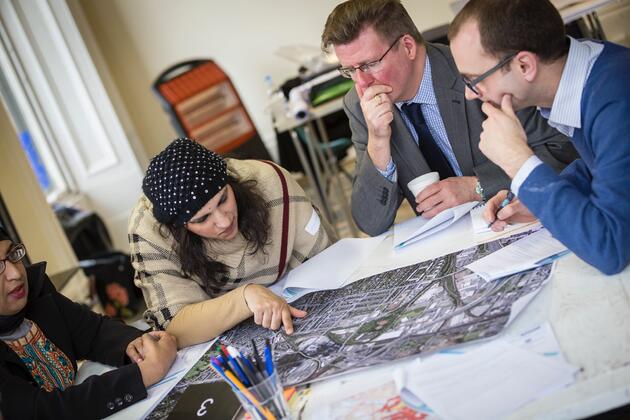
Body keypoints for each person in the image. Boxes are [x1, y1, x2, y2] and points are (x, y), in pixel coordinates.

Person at [320, 0, 578, 236]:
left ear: (408, 46)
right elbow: (370, 222)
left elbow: (563, 152)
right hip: (451, 244)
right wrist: (378, 142)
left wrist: (476, 187)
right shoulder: (359, 104)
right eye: (349, 70)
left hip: (525, 224)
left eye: (369, 64)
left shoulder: (476, 70)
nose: (362, 83)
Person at [448, 0, 630, 275]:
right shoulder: (589, 71)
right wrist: (538, 195)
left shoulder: (616, 98)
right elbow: (605, 164)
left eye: (474, 79)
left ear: (524, 65)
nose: (470, 94)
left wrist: (518, 163)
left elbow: (611, 250)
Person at [128, 138, 334, 348]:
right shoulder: (149, 232)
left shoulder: (268, 180)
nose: (224, 221)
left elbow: (329, 259)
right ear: (178, 228)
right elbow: (175, 329)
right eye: (202, 219)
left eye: (223, 199)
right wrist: (246, 297)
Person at [0, 226, 177, 419]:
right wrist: (141, 376)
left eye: (12, 255)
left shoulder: (36, 291)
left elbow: (94, 332)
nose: (16, 274)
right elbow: (41, 411)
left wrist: (136, 346)